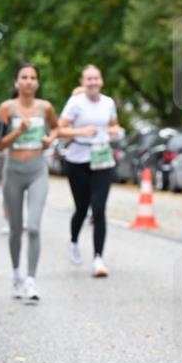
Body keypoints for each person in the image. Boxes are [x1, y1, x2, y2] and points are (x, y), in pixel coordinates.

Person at [0, 64, 59, 300]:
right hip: (13, 171)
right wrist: (17, 132)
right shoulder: (6, 108)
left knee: (33, 227)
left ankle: (31, 280)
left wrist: (48, 140)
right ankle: (16, 275)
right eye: (24, 77)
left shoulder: (45, 107)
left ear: (38, 83)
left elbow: (57, 129)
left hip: (37, 171)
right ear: (16, 82)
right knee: (15, 229)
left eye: (33, 78)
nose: (29, 81)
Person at [58, 65, 121, 278]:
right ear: (83, 82)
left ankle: (98, 259)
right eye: (88, 79)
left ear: (101, 80)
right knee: (82, 208)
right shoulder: (75, 103)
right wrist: (81, 131)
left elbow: (114, 125)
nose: (93, 82)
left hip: (102, 159)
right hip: (78, 159)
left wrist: (113, 131)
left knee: (99, 208)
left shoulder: (108, 103)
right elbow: (60, 129)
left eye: (96, 78)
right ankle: (74, 241)